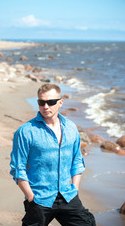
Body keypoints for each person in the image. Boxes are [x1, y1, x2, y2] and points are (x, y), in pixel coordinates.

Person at [10, 83, 96, 226]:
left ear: (60, 102)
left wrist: (75, 188)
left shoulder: (71, 128)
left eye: (50, 102)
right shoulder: (26, 131)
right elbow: (18, 168)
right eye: (41, 102)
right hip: (39, 198)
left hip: (67, 195)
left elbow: (77, 160)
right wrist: (30, 196)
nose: (46, 106)